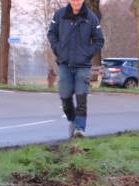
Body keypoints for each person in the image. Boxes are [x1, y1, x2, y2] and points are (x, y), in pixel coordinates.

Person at [47, 0, 104, 138]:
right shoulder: (59, 15)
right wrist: (58, 50)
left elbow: (99, 40)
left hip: (83, 65)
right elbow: (51, 34)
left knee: (81, 97)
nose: (76, 1)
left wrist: (87, 53)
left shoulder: (91, 18)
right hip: (64, 63)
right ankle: (73, 120)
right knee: (65, 98)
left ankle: (80, 129)